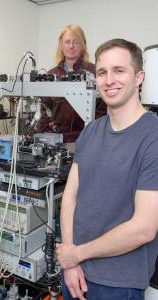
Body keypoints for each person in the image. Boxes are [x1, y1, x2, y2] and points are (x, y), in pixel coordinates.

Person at [56, 38, 158, 300]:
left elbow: (144, 228)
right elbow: (70, 197)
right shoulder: (91, 131)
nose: (109, 80)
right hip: (74, 273)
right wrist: (70, 259)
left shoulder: (152, 136)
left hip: (118, 284)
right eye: (102, 72)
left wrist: (75, 255)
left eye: (119, 70)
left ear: (139, 78)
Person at [37, 24, 106, 143]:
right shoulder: (51, 75)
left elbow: (103, 107)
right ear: (61, 46)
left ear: (83, 45)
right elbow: (44, 108)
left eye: (76, 42)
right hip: (58, 140)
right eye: (67, 42)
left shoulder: (94, 71)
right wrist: (43, 133)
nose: (71, 46)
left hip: (87, 138)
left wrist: (94, 134)